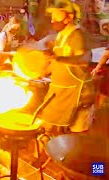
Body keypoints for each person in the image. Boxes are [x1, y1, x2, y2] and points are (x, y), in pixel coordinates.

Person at [40, 0, 95, 133]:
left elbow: (84, 60)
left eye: (57, 16)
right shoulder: (61, 35)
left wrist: (59, 58)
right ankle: (51, 151)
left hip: (77, 93)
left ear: (69, 17)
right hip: (59, 90)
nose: (53, 21)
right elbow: (57, 59)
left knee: (76, 136)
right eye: (52, 17)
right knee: (49, 124)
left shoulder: (77, 35)